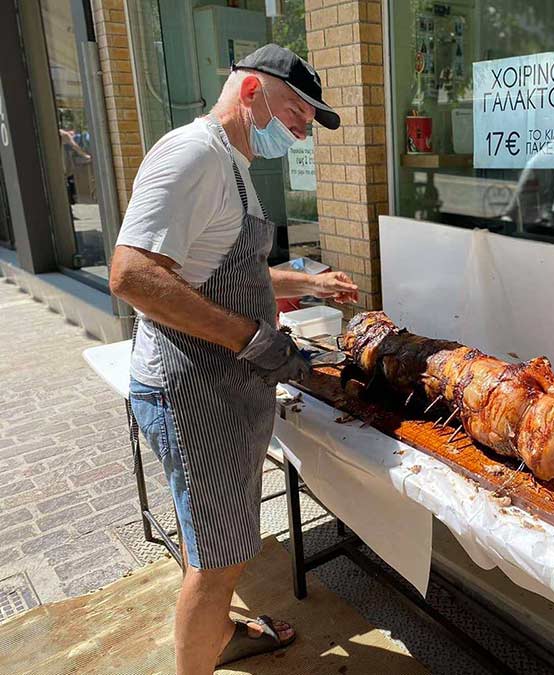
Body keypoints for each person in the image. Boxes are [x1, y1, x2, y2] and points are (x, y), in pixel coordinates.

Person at [109, 44, 358, 674]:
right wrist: (251, 338)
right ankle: (200, 654)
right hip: (192, 389)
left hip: (222, 385)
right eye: (298, 116)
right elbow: (134, 274)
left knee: (224, 537)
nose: (301, 133)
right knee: (215, 556)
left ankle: (221, 632)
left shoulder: (232, 163)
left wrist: (308, 287)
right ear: (251, 92)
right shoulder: (192, 154)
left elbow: (222, 271)